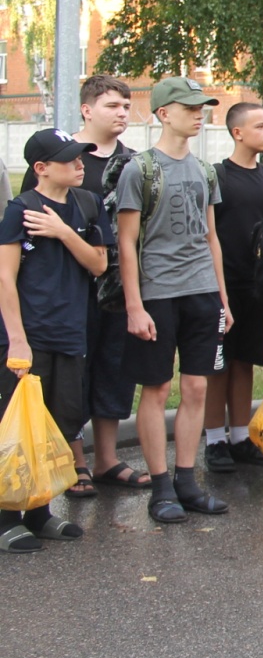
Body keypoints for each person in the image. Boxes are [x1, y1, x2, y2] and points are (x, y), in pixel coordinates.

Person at [117, 77, 233, 524]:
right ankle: (160, 485)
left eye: (201, 106)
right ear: (163, 113)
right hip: (158, 294)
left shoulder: (205, 170)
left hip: (201, 292)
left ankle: (187, 480)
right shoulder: (141, 169)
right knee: (158, 387)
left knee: (198, 386)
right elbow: (127, 243)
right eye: (189, 107)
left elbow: (211, 237)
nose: (198, 113)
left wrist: (222, 298)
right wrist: (134, 305)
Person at [21, 76, 144, 494]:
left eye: (127, 106)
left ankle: (107, 458)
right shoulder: (59, 158)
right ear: (87, 110)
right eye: (112, 105)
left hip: (116, 288)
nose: (122, 113)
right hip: (67, 295)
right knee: (71, 377)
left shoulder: (134, 162)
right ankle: (75, 461)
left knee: (113, 369)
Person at [0, 129, 114, 552]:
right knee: (18, 429)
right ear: (41, 168)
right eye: (69, 159)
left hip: (71, 331)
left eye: (81, 157)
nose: (80, 164)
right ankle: (7, 518)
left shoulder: (87, 204)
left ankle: (40, 513)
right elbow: (4, 278)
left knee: (57, 422)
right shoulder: (21, 210)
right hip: (28, 336)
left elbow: (99, 265)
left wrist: (64, 231)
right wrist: (16, 340)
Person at [206, 101, 263, 472]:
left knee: (245, 362)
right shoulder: (218, 176)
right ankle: (214, 440)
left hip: (257, 288)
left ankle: (239, 436)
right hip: (225, 286)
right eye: (260, 126)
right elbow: (209, 235)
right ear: (238, 132)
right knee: (218, 364)